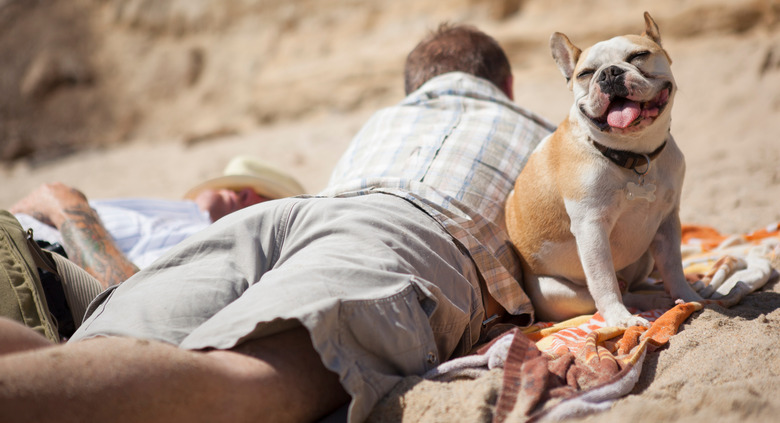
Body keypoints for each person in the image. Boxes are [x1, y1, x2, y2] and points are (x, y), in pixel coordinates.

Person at [0, 24, 554, 423]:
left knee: (77, 363)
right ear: (505, 86)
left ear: (414, 91)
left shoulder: (385, 123)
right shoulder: (550, 140)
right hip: (407, 235)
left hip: (289, 216)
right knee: (239, 385)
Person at [10, 156, 306, 287]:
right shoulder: (174, 217)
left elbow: (125, 294)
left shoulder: (210, 240)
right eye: (236, 186)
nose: (243, 195)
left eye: (265, 199)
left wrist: (63, 204)